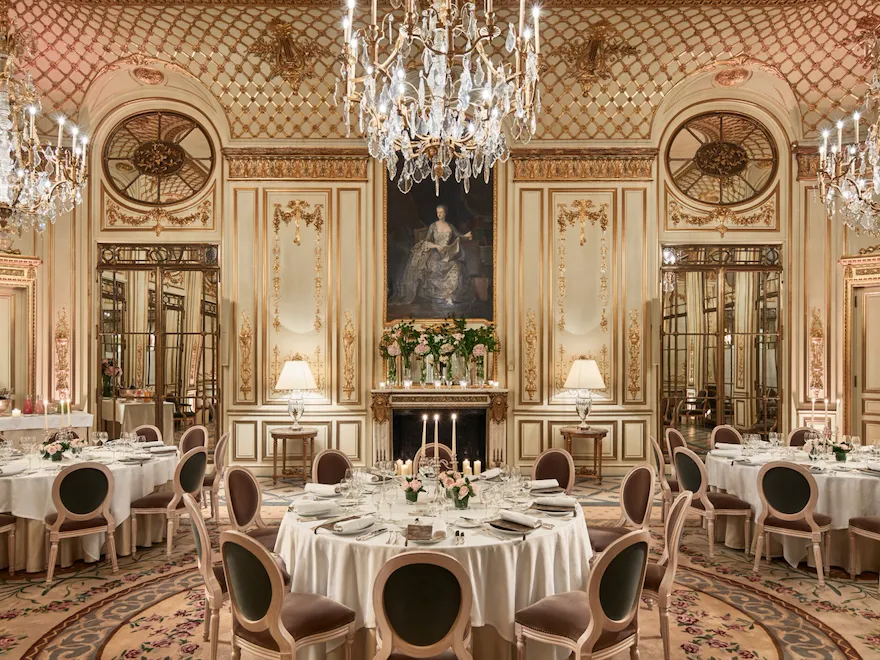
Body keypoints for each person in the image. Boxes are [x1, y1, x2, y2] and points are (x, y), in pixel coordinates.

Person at [392, 204, 473, 307]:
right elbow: (427, 241)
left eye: (441, 212)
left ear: (445, 213)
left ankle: (449, 295)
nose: (439, 214)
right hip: (435, 253)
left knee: (456, 266)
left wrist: (465, 236)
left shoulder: (450, 226)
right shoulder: (433, 226)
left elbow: (458, 236)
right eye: (438, 212)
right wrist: (436, 246)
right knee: (434, 266)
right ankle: (438, 296)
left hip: (447, 254)